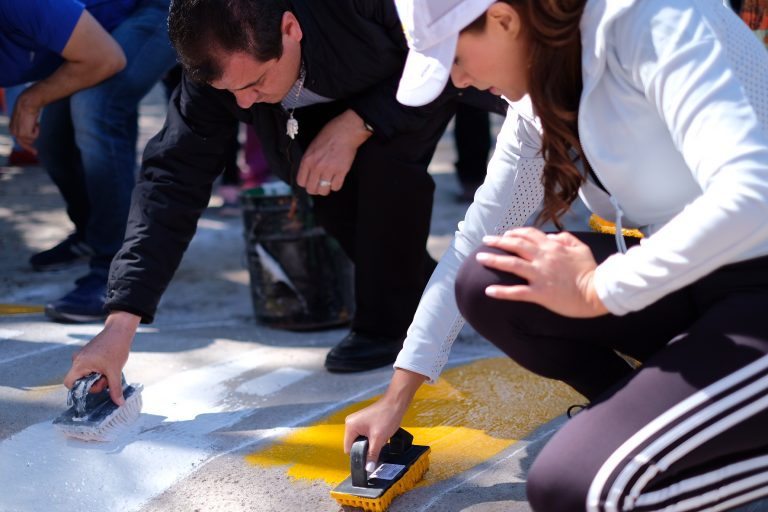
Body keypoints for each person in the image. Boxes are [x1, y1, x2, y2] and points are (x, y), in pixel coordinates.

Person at [344, 0, 768, 510]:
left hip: (757, 286)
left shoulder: (649, 20)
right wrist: (398, 396)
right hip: (695, 284)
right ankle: (641, 418)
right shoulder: (538, 96)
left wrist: (599, 287)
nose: (459, 80)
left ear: (504, 19)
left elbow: (754, 194)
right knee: (489, 278)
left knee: (574, 489)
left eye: (455, 57)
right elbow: (472, 244)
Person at [62, 0, 505, 399]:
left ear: (290, 28)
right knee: (325, 188)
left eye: (254, 82)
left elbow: (443, 48)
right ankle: (427, 292)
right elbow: (172, 179)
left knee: (384, 174)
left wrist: (359, 122)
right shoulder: (219, 63)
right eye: (229, 91)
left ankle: (387, 324)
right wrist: (120, 323)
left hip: (403, 76)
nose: (243, 103)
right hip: (303, 108)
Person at [1, 0, 178, 323]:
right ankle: (91, 232)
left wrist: (31, 99)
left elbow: (105, 58)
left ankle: (121, 273)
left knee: (96, 106)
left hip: (152, 7)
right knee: (51, 140)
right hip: (95, 31)